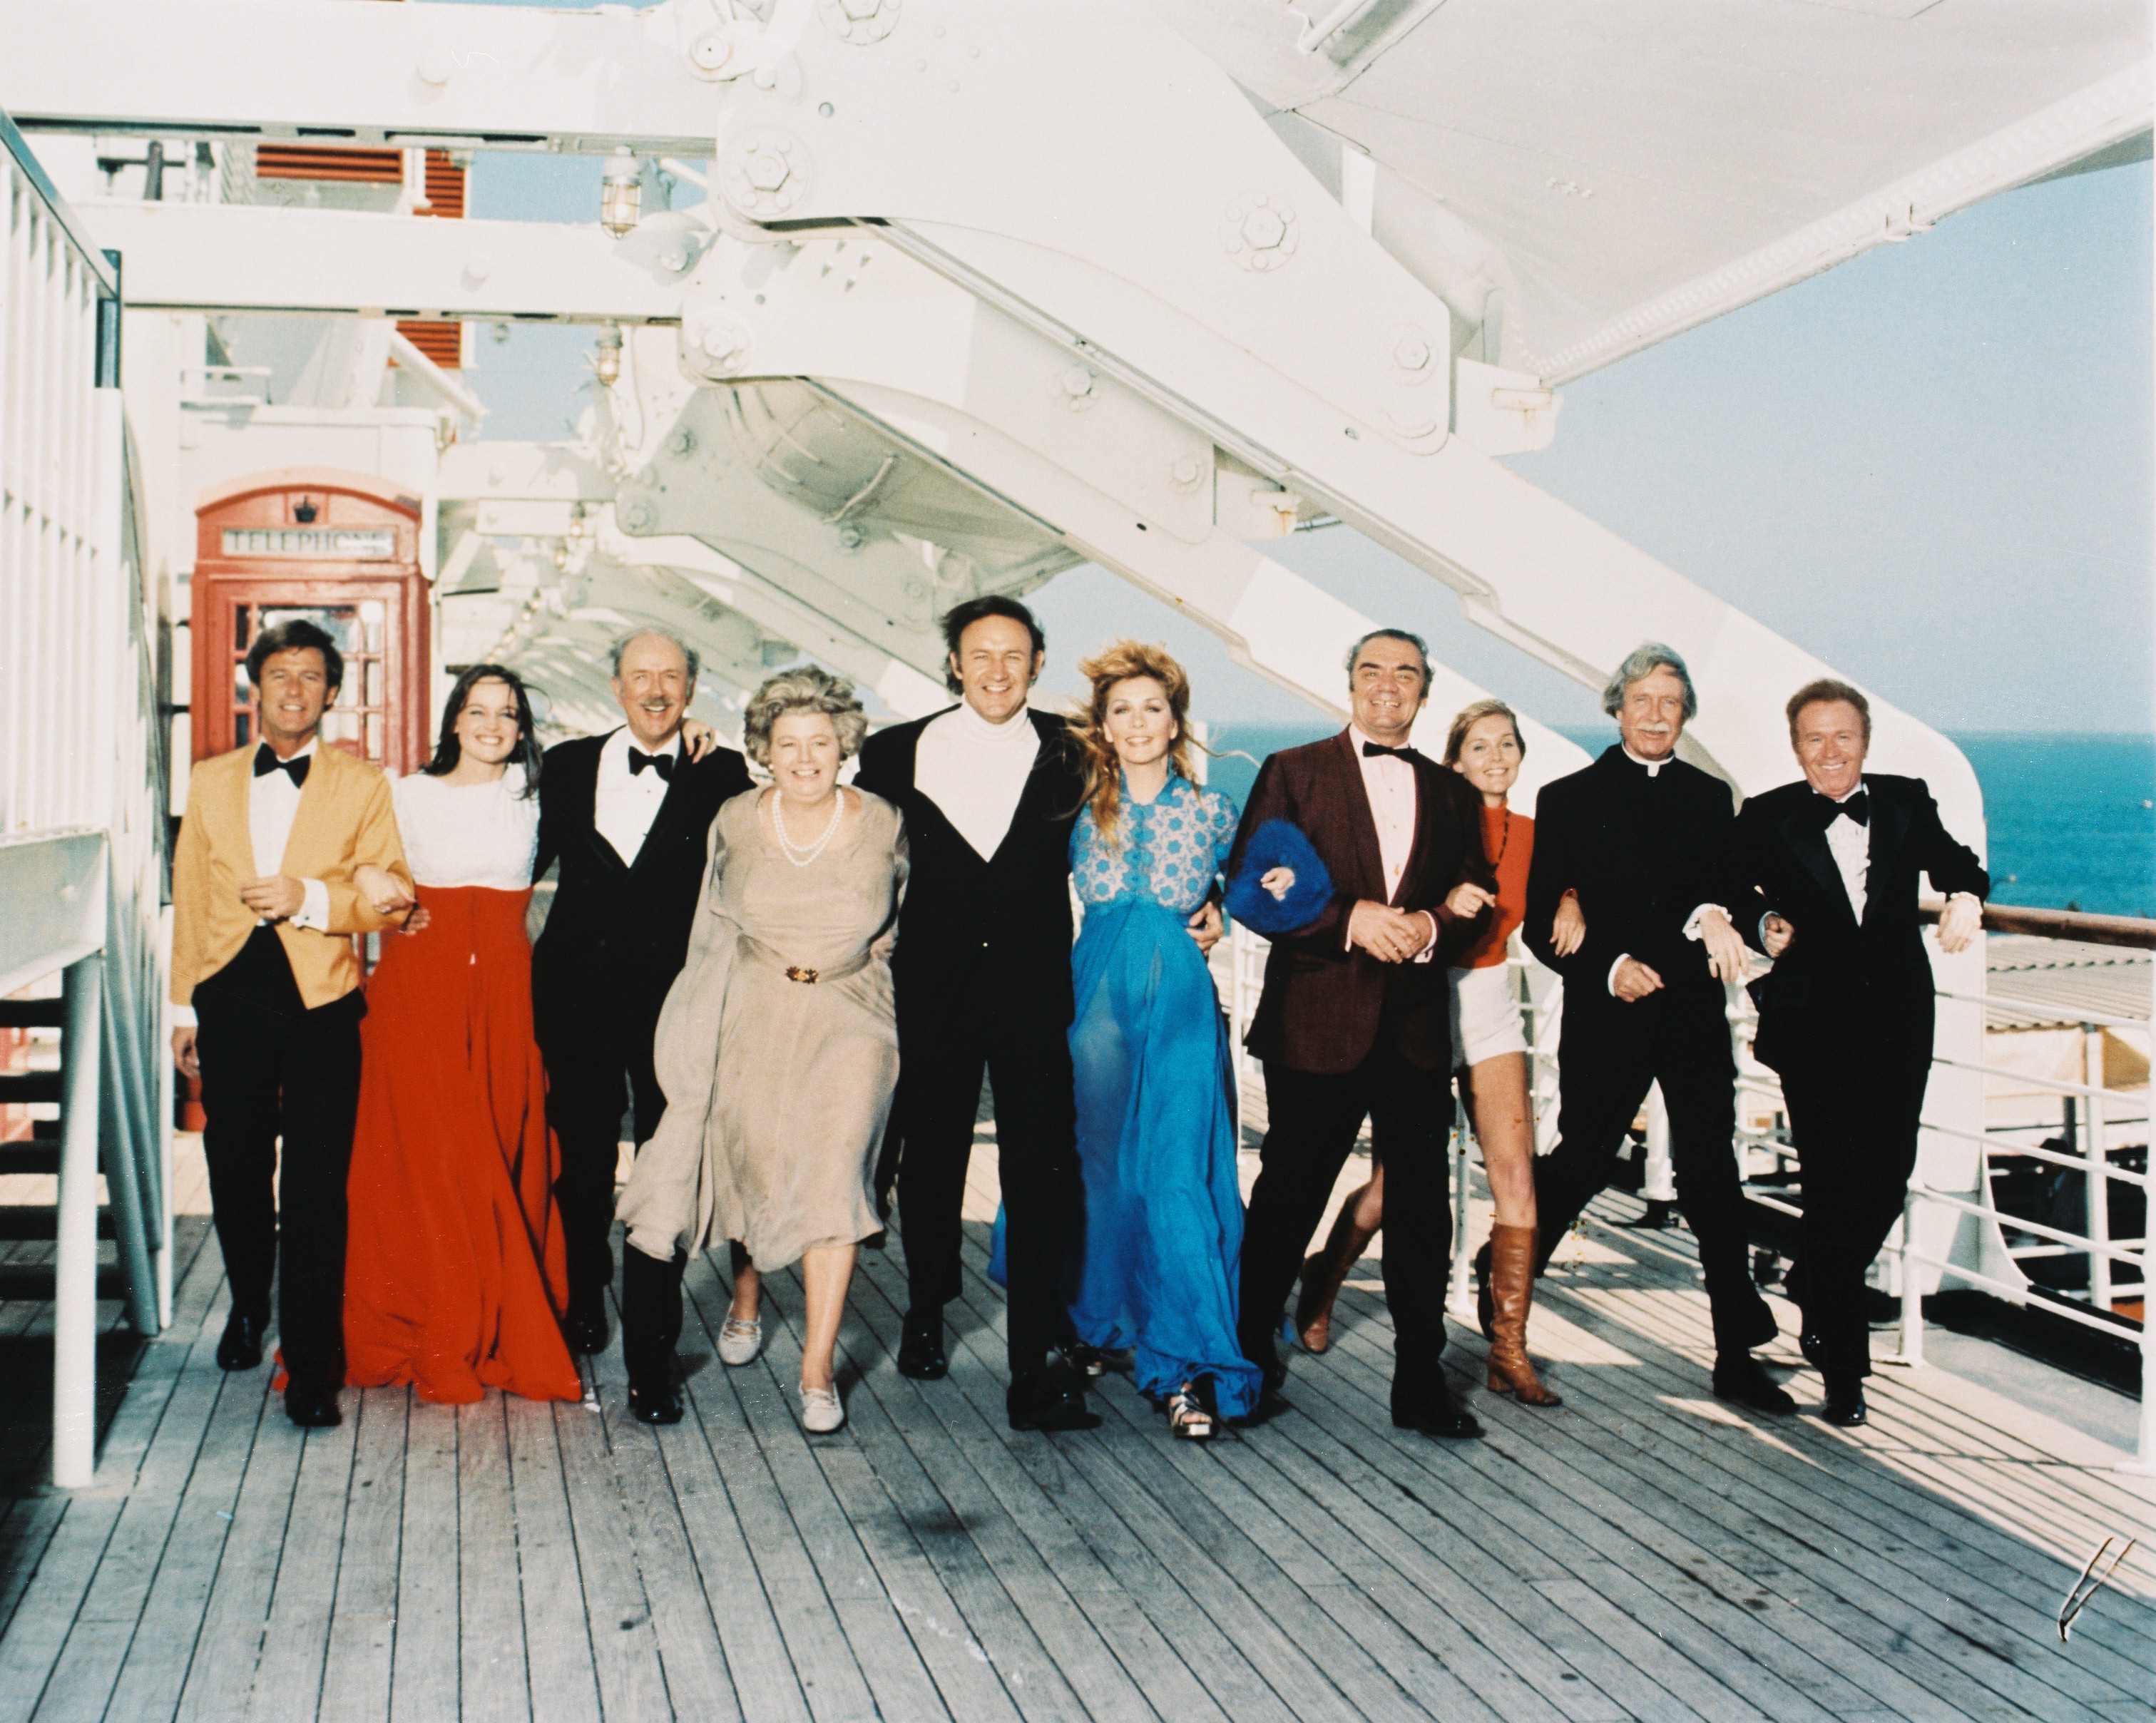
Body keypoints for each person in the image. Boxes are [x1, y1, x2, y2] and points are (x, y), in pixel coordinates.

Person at [854, 595, 1221, 1433]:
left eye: (1013, 655)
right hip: (929, 987)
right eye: (979, 654)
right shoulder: (890, 751)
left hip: (1038, 992)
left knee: (1041, 1165)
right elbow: (850, 843)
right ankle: (923, 1306)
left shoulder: (1073, 750)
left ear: (1037, 662)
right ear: (952, 662)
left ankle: (1035, 1364)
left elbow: (1153, 822)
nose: (995, 670)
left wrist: (1216, 900)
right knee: (933, 1154)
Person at [617, 668, 906, 1431]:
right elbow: (709, 928)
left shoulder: (883, 819)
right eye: (789, 743)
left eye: (821, 741)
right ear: (764, 751)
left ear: (843, 745)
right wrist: (689, 1034)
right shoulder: (735, 819)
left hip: (851, 1015)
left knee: (836, 1174)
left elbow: (906, 909)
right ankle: (746, 1296)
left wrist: (877, 953)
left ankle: (815, 1372)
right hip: (750, 1003)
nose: (806, 757)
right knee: (753, 1160)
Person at [1227, 628, 1495, 1441]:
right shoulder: (1292, 771)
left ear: (1424, 688)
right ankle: (1243, 1365)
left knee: (1422, 1212)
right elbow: (1248, 887)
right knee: (1286, 1199)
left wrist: (1425, 926)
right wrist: (1350, 920)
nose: (1388, 685)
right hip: (1315, 1023)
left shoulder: (1452, 793)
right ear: (1348, 682)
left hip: (1413, 1033)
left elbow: (1475, 891)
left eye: (1405, 673)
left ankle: (1419, 1384)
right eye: (1372, 671)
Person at [1522, 643, 1789, 1414]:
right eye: (1640, 699)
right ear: (1615, 708)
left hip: (1692, 1015)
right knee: (1579, 1159)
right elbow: (1543, 922)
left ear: (1684, 714)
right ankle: (1504, 1286)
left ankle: (1733, 1355)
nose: (1654, 715)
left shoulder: (1712, 797)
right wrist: (1606, 965)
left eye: (1669, 702)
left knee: (1712, 1175)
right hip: (1607, 1011)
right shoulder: (1567, 796)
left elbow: (1726, 891)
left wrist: (1722, 913)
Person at [1710, 680, 1986, 1426]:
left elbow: (1956, 863)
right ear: (1794, 745)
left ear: (1863, 741)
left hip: (1898, 1017)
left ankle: (1812, 1279)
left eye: (1842, 738)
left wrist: (1964, 897)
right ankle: (1843, 1370)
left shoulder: (1903, 799)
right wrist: (1761, 917)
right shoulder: (1766, 814)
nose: (1828, 753)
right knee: (1830, 1182)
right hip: (1813, 1022)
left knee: (1887, 1175)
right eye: (1812, 739)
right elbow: (1727, 888)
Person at [1292, 698, 1575, 1406]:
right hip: (1419, 1004)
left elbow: (1559, 886)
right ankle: (1322, 1280)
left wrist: (1570, 897)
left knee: (1516, 1176)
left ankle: (1507, 1349)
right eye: (1478, 746)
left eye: (1506, 743)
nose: (1495, 756)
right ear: (1453, 761)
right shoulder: (1431, 819)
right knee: (1394, 1190)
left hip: (1488, 1005)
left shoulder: (1537, 833)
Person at [169, 618, 413, 1428]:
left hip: (321, 1002)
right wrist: (181, 1007)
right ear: (256, 687)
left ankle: (311, 1363)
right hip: (229, 994)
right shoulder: (208, 780)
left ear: (333, 692)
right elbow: (194, 899)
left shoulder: (363, 785)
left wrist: (310, 898)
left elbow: (395, 895)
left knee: (316, 1187)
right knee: (236, 1168)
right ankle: (247, 1305)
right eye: (279, 674)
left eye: (311, 676)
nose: (294, 689)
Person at [339, 666, 582, 1405]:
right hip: (419, 998)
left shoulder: (536, 794)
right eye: (478, 711)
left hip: (507, 1003)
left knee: (500, 1149)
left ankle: (495, 1320)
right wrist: (372, 881)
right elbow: (350, 854)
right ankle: (435, 1320)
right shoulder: (403, 794)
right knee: (436, 1160)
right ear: (453, 720)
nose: (492, 725)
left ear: (522, 727)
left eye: (507, 713)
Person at [531, 630, 753, 1358]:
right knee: (582, 1166)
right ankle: (584, 1298)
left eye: (670, 677)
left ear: (690, 689)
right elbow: (511, 856)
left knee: (668, 1167)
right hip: (576, 998)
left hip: (676, 1005)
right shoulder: (563, 766)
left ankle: (654, 1335)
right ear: (615, 686)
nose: (654, 690)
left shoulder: (722, 772)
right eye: (639, 676)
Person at [1059, 642, 1262, 1438]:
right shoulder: (1072, 804)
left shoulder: (1212, 811)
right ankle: (1096, 1325)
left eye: (1153, 707)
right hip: (1094, 1015)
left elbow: (1263, 886)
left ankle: (1181, 1366)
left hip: (1179, 1009)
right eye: (1122, 710)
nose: (1138, 722)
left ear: (1174, 720)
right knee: (1100, 1175)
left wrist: (1221, 904)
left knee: (1177, 1178)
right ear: (1102, 726)